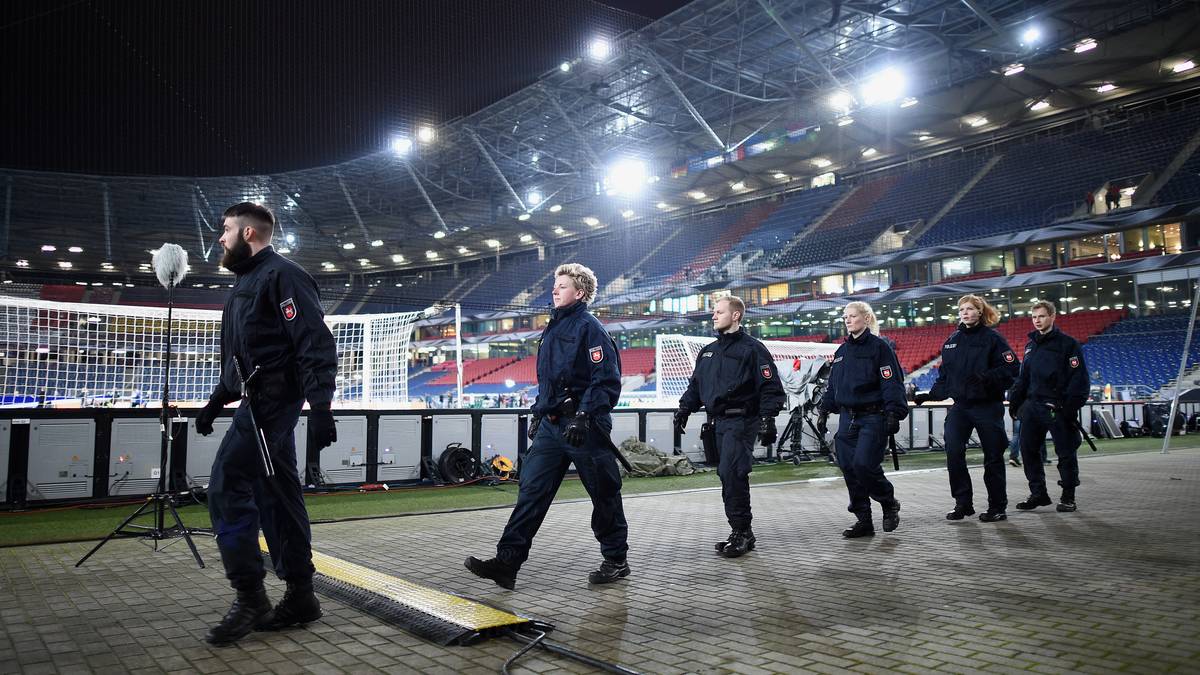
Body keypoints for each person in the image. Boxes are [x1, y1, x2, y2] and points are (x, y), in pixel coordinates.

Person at [194, 202, 338, 645]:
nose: (221, 237)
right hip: (254, 402)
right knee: (276, 493)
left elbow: (313, 340)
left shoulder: (283, 275)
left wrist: (320, 406)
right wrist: (218, 399)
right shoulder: (245, 282)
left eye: (226, 229)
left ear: (250, 234)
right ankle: (301, 594)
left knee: (226, 486)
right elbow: (242, 352)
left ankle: (250, 595)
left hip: (274, 403)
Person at [466, 263, 628, 589]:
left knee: (604, 494)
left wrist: (584, 415)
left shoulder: (590, 328)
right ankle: (507, 563)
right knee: (530, 492)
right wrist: (540, 412)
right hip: (552, 428)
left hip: (586, 428)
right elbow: (550, 383)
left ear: (579, 292)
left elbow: (606, 380)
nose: (555, 290)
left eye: (563, 285)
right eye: (555, 285)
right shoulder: (552, 328)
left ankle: (616, 560)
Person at [673, 296, 786, 557]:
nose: (713, 316)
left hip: (742, 421)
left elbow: (771, 388)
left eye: (719, 312)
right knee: (727, 476)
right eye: (714, 312)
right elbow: (696, 386)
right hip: (717, 424)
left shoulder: (753, 349)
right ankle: (742, 531)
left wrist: (768, 419)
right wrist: (684, 408)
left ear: (735, 316)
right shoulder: (708, 351)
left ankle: (741, 533)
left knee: (732, 473)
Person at [914, 295, 1019, 522]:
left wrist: (986, 378)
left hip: (987, 406)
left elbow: (1012, 367)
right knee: (953, 452)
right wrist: (928, 396)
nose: (965, 312)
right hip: (960, 407)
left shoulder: (993, 338)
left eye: (970, 309)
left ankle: (997, 506)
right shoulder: (952, 341)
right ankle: (963, 503)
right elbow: (945, 377)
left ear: (980, 312)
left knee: (992, 456)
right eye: (962, 309)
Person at [817, 302, 907, 538]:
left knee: (864, 465)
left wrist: (893, 412)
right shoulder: (841, 352)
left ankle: (888, 502)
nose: (847, 320)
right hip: (848, 418)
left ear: (866, 319)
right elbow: (833, 386)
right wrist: (824, 411)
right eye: (845, 317)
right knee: (848, 468)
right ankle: (863, 520)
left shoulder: (880, 348)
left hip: (873, 416)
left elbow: (892, 382)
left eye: (852, 316)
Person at [1007, 300, 1090, 513]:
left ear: (1052, 316)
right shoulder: (1030, 346)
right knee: (1028, 451)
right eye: (1034, 317)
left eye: (1042, 316)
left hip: (1058, 407)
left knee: (1065, 452)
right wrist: (1016, 403)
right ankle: (1038, 493)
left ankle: (1068, 496)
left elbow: (1078, 379)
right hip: (1033, 407)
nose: (1037, 321)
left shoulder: (1068, 344)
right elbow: (1023, 378)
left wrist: (1069, 407)